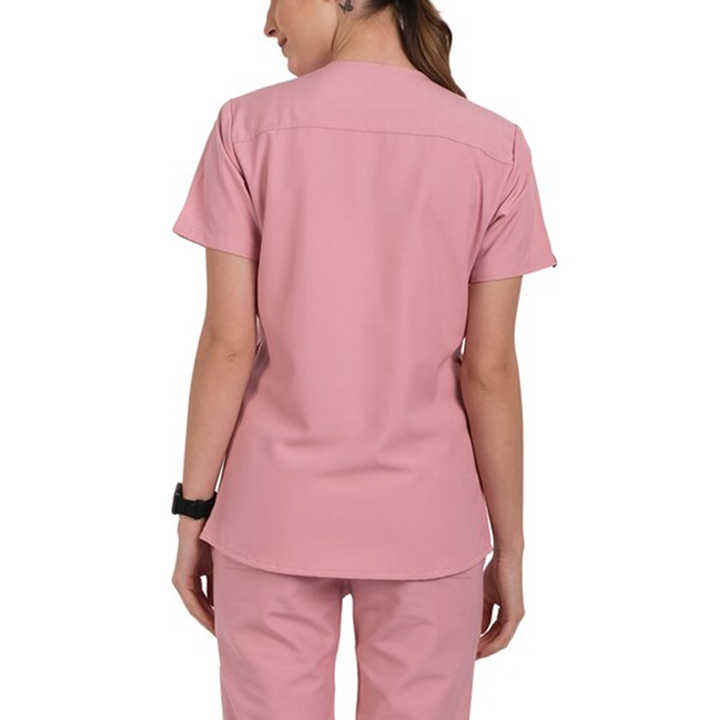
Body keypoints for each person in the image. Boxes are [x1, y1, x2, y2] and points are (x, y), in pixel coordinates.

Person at [170, 1, 556, 718]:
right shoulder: (493, 145)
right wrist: (509, 547)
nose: (266, 23)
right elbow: (490, 370)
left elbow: (229, 343)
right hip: (428, 523)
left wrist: (194, 511)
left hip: (272, 514)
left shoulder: (247, 129)